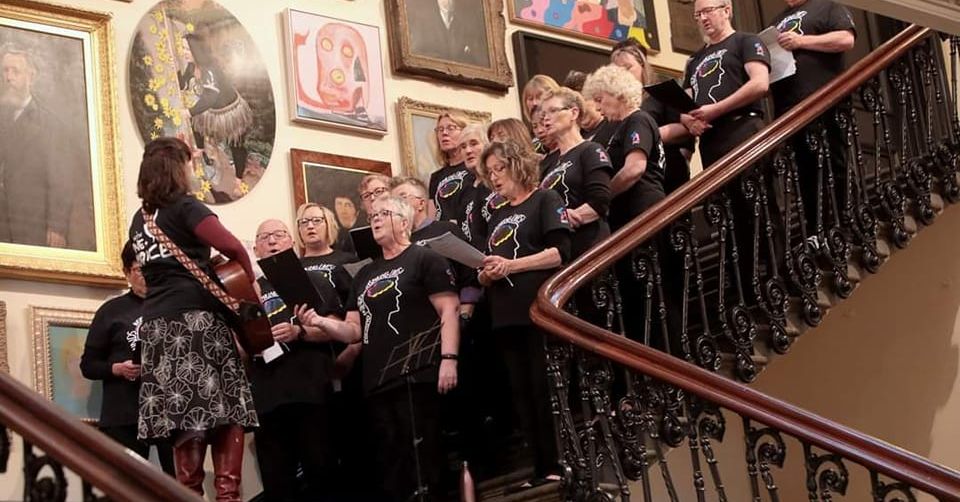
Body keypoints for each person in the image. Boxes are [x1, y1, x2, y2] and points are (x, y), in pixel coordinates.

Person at [296, 195, 459, 501]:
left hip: (419, 371)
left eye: (383, 213)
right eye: (372, 216)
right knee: (392, 461)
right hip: (377, 379)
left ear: (404, 220)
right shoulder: (365, 274)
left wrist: (449, 359)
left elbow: (449, 310)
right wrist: (319, 321)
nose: (375, 219)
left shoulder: (424, 259)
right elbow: (353, 330)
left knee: (425, 456)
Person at [128, 137, 258, 501]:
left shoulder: (139, 221)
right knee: (226, 412)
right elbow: (232, 247)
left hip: (158, 330)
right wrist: (251, 290)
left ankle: (188, 495)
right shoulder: (186, 207)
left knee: (183, 418)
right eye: (188, 163)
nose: (190, 171)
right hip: (197, 325)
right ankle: (228, 495)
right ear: (177, 168)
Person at [476, 140, 571, 489]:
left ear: (518, 165)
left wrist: (511, 266)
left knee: (542, 387)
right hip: (505, 314)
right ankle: (538, 467)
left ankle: (558, 464)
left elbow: (558, 253)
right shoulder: (498, 214)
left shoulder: (545, 199)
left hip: (537, 309)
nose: (495, 177)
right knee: (520, 394)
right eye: (490, 173)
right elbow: (491, 263)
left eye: (500, 168)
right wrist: (485, 274)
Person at [249, 218, 354, 501]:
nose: (271, 241)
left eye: (278, 235)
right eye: (264, 237)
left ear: (292, 243)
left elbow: (335, 327)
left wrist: (300, 332)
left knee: (321, 472)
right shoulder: (248, 291)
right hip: (267, 396)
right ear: (256, 249)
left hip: (310, 390)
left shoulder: (315, 279)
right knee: (276, 481)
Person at [80, 241, 175, 477]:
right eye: (140, 269)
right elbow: (88, 365)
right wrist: (117, 369)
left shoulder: (174, 306)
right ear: (127, 272)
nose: (147, 276)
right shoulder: (111, 311)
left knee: (180, 484)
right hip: (124, 412)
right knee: (123, 484)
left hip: (170, 411)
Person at [769, 0, 856, 240]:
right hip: (791, 110)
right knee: (805, 174)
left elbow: (846, 40)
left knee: (835, 164)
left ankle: (846, 226)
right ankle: (817, 233)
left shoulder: (827, 6)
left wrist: (801, 41)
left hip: (825, 100)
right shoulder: (775, 22)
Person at [0, 44, 79, 248]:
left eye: (15, 71)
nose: (9, 78)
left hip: (30, 224)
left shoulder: (50, 126)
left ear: (31, 76)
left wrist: (57, 227)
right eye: (5, 71)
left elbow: (61, 181)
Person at [679, 0, 770, 168]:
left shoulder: (746, 41)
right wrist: (689, 121)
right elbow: (684, 104)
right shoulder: (694, 60)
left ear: (726, 11)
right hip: (710, 142)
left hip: (743, 130)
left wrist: (716, 109)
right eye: (698, 14)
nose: (703, 18)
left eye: (708, 11)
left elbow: (760, 83)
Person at [611, 38, 695, 195]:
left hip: (666, 170)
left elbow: (685, 128)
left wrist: (647, 135)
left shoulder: (659, 93)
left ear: (643, 66)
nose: (623, 75)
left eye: (628, 68)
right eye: (617, 71)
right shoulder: (616, 107)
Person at [538, 87, 614, 258]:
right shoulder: (547, 162)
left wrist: (564, 219)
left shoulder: (590, 150)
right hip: (559, 248)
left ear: (573, 113)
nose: (546, 118)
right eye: (543, 114)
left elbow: (600, 201)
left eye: (553, 111)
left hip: (588, 245)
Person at [406, 0, 489, 67]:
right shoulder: (423, 22)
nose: (451, 1)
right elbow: (416, 53)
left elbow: (475, 58)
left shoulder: (463, 25)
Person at [428, 111, 469, 222]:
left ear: (465, 132)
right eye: (440, 130)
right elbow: (431, 219)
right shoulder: (436, 177)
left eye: (451, 128)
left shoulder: (474, 169)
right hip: (444, 235)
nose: (444, 133)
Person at [562, 70, 618, 147]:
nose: (578, 110)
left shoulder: (615, 127)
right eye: (571, 106)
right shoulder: (573, 138)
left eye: (582, 101)